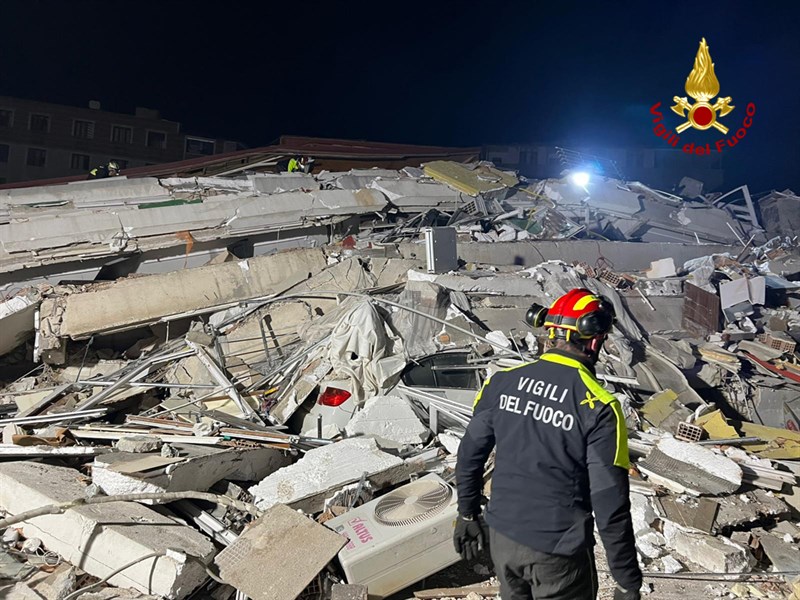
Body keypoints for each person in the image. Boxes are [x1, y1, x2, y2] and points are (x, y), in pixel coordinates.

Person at [454, 288, 642, 600]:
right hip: (557, 551)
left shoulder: (501, 382)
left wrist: (467, 514)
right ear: (595, 339)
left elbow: (470, 452)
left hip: (503, 538)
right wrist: (626, 580)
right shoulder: (599, 406)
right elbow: (610, 502)